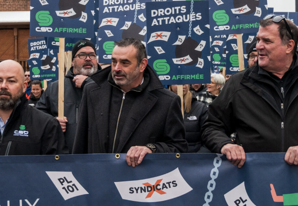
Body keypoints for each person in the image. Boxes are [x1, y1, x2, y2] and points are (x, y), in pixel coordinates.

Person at [202, 15, 298, 167]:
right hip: (253, 176)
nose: (258, 46)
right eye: (258, 40)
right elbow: (212, 127)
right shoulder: (238, 83)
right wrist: (225, 145)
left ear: (289, 46)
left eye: (267, 41)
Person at [73, 38, 187, 166]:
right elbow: (80, 142)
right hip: (97, 174)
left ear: (142, 65)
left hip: (139, 177)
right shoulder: (92, 91)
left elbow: (178, 149)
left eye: (125, 63)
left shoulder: (166, 101)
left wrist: (151, 149)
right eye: (114, 61)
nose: (117, 68)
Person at [36, 39, 99, 153]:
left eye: (92, 55)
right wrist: (52, 123)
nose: (88, 58)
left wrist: (88, 83)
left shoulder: (107, 86)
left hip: (97, 157)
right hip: (64, 156)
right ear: (72, 62)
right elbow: (37, 117)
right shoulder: (55, 88)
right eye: (82, 55)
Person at [169, 85, 209, 152]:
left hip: (194, 154)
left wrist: (199, 156)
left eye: (185, 82)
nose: (182, 85)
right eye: (177, 82)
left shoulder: (201, 108)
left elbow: (208, 136)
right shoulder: (162, 107)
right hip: (169, 156)